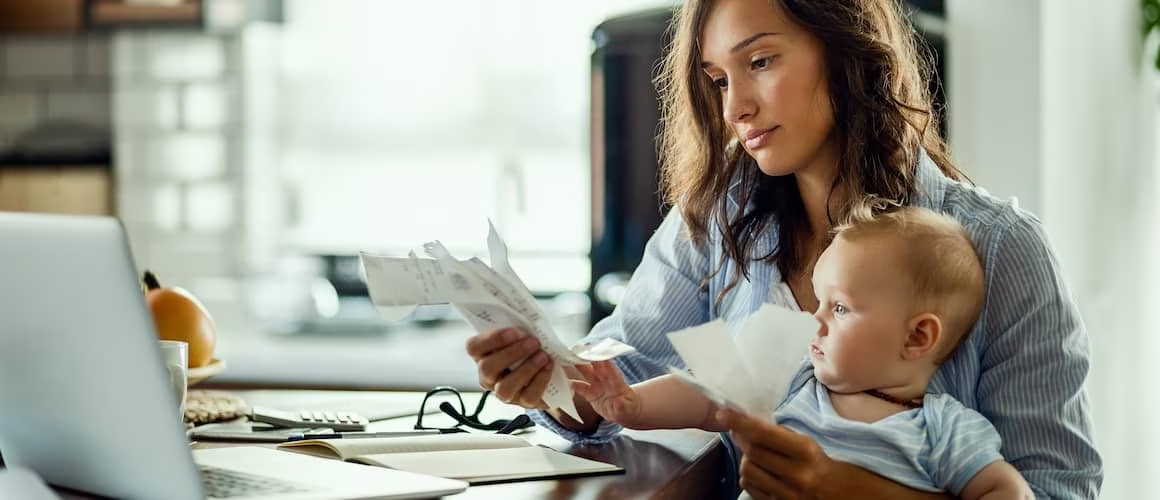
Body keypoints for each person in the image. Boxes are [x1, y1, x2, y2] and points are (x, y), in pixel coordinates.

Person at [463, 0, 1102, 497]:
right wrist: (552, 382)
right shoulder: (716, 220)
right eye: (717, 80)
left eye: (761, 61)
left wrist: (849, 491)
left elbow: (1055, 492)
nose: (736, 107)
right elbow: (623, 376)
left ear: (846, 46)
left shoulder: (1001, 250)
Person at [571, 207, 1034, 499]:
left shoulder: (944, 429)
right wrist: (634, 404)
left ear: (916, 338)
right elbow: (709, 397)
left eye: (839, 308)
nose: (815, 320)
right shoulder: (795, 381)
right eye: (818, 302)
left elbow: (1006, 488)